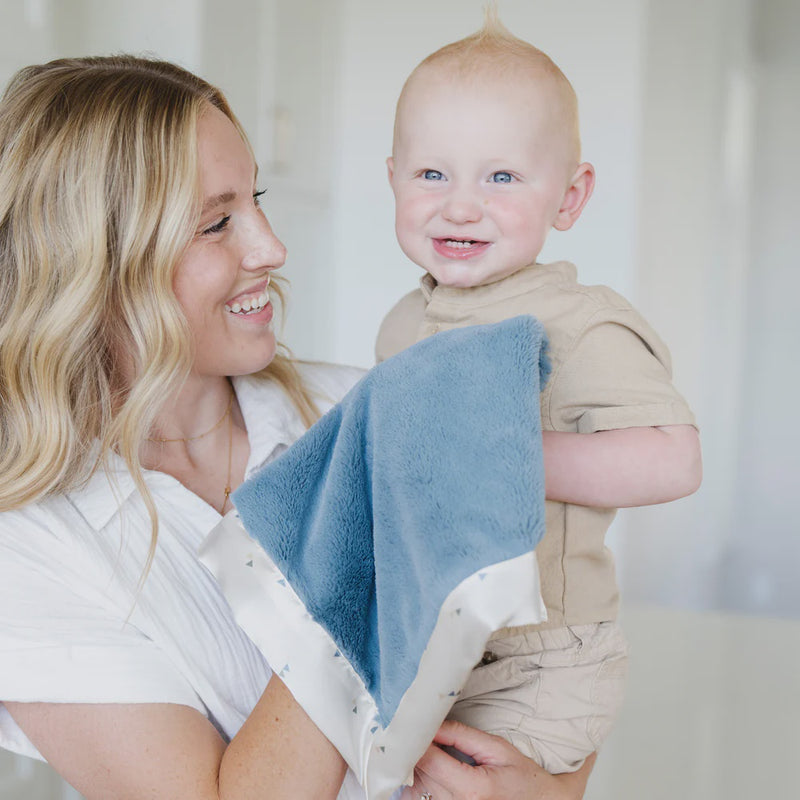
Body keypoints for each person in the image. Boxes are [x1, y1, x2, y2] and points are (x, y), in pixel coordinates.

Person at [0, 55, 598, 799]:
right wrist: (372, 528)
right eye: (217, 223)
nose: (271, 248)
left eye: (255, 199)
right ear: (91, 265)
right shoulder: (26, 550)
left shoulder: (363, 404)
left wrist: (552, 789)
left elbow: (556, 648)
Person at [376, 11, 703, 775]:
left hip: (545, 657)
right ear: (391, 177)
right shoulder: (403, 323)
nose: (461, 205)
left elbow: (673, 461)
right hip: (436, 641)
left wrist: (502, 453)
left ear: (569, 196)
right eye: (432, 174)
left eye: (501, 176)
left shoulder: (578, 323)